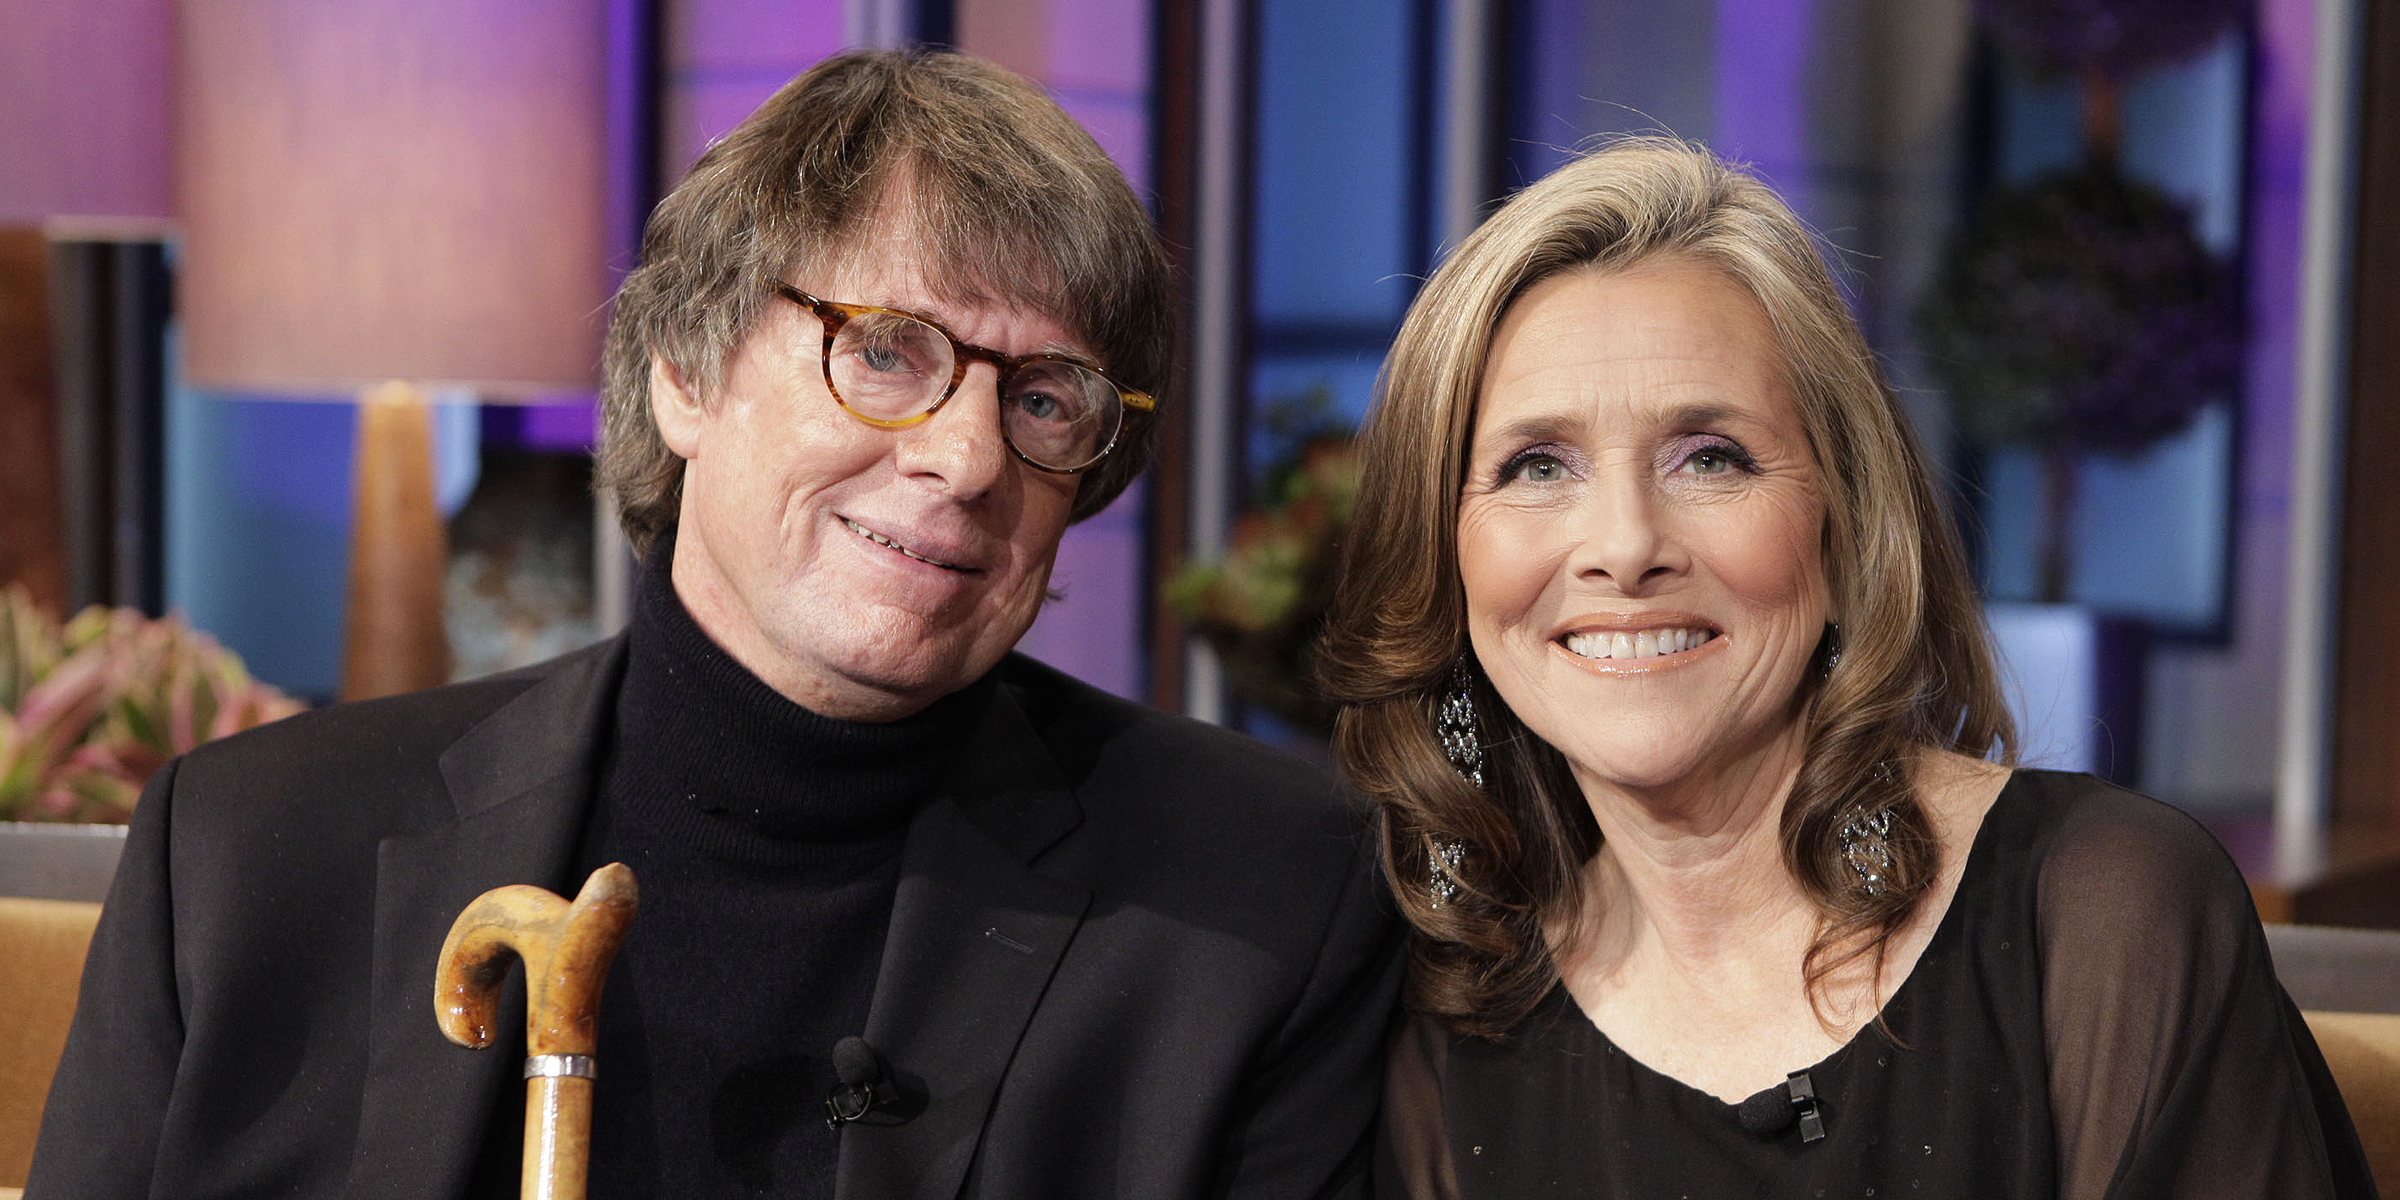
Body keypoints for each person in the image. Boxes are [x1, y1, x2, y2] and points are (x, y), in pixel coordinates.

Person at [30, 50, 1397, 1199]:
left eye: (1045, 399)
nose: (971, 458)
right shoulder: (247, 856)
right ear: (684, 368)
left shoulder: (1264, 903)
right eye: (885, 351)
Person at [1317, 137, 2374, 1199]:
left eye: (1710, 456)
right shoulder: (1451, 1020)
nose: (1626, 544)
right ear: (1444, 558)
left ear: (1844, 517)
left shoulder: (2106, 917)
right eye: (1535, 466)